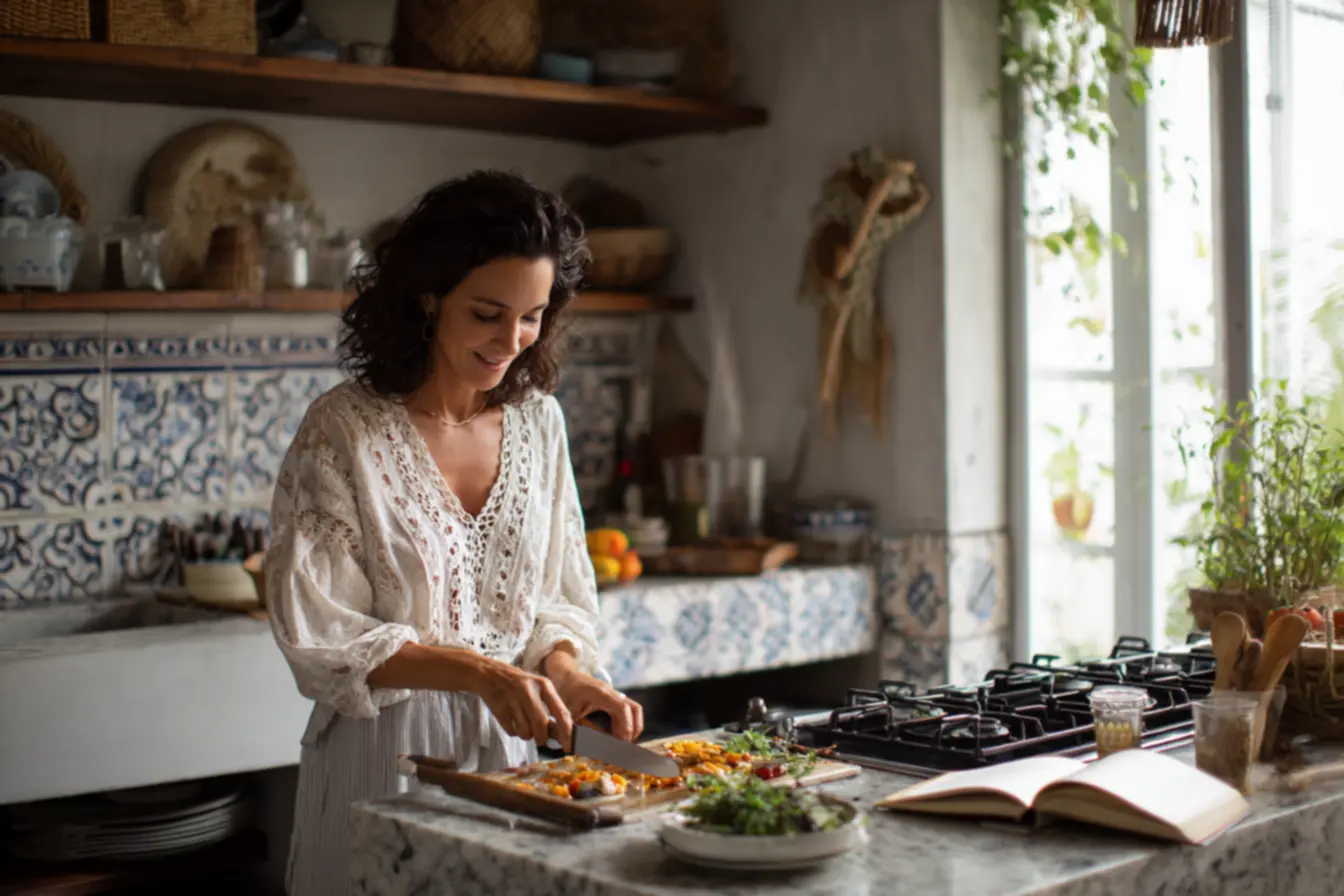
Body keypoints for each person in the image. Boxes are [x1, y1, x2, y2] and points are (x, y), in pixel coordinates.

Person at [264, 170, 645, 896]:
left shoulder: (540, 422)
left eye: (532, 316)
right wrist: (482, 672)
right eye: (488, 313)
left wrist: (570, 677)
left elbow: (553, 602)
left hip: (512, 766)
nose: (512, 340)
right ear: (428, 297)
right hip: (385, 760)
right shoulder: (344, 429)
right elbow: (325, 638)